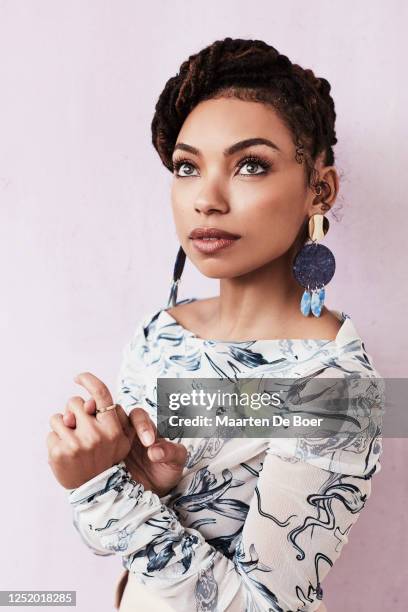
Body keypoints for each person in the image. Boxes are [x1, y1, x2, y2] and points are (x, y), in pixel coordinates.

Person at [46, 37, 383, 612]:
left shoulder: (337, 386)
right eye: (187, 166)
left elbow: (262, 608)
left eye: (250, 165)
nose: (206, 198)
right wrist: (150, 485)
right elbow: (114, 545)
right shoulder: (163, 332)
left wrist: (98, 486)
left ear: (318, 189)